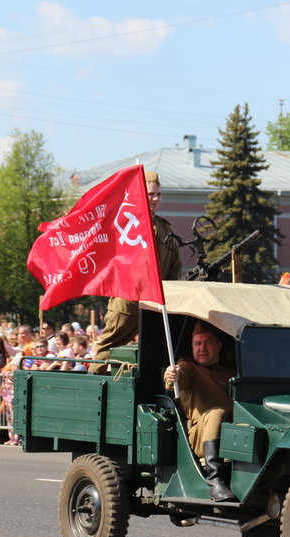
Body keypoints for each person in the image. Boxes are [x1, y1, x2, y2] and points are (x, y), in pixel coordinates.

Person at [91, 171, 183, 373]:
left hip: (153, 303)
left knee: (154, 352)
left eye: (158, 194)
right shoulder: (127, 222)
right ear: (140, 194)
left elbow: (174, 268)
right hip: (127, 300)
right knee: (107, 349)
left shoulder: (164, 229)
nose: (156, 199)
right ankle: (92, 391)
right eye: (151, 194)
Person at [163, 321, 237, 502]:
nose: (202, 348)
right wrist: (172, 375)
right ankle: (215, 481)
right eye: (198, 343)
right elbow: (179, 376)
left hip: (233, 433)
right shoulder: (189, 367)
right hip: (199, 435)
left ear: (219, 346)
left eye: (208, 342)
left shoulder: (232, 372)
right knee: (216, 414)